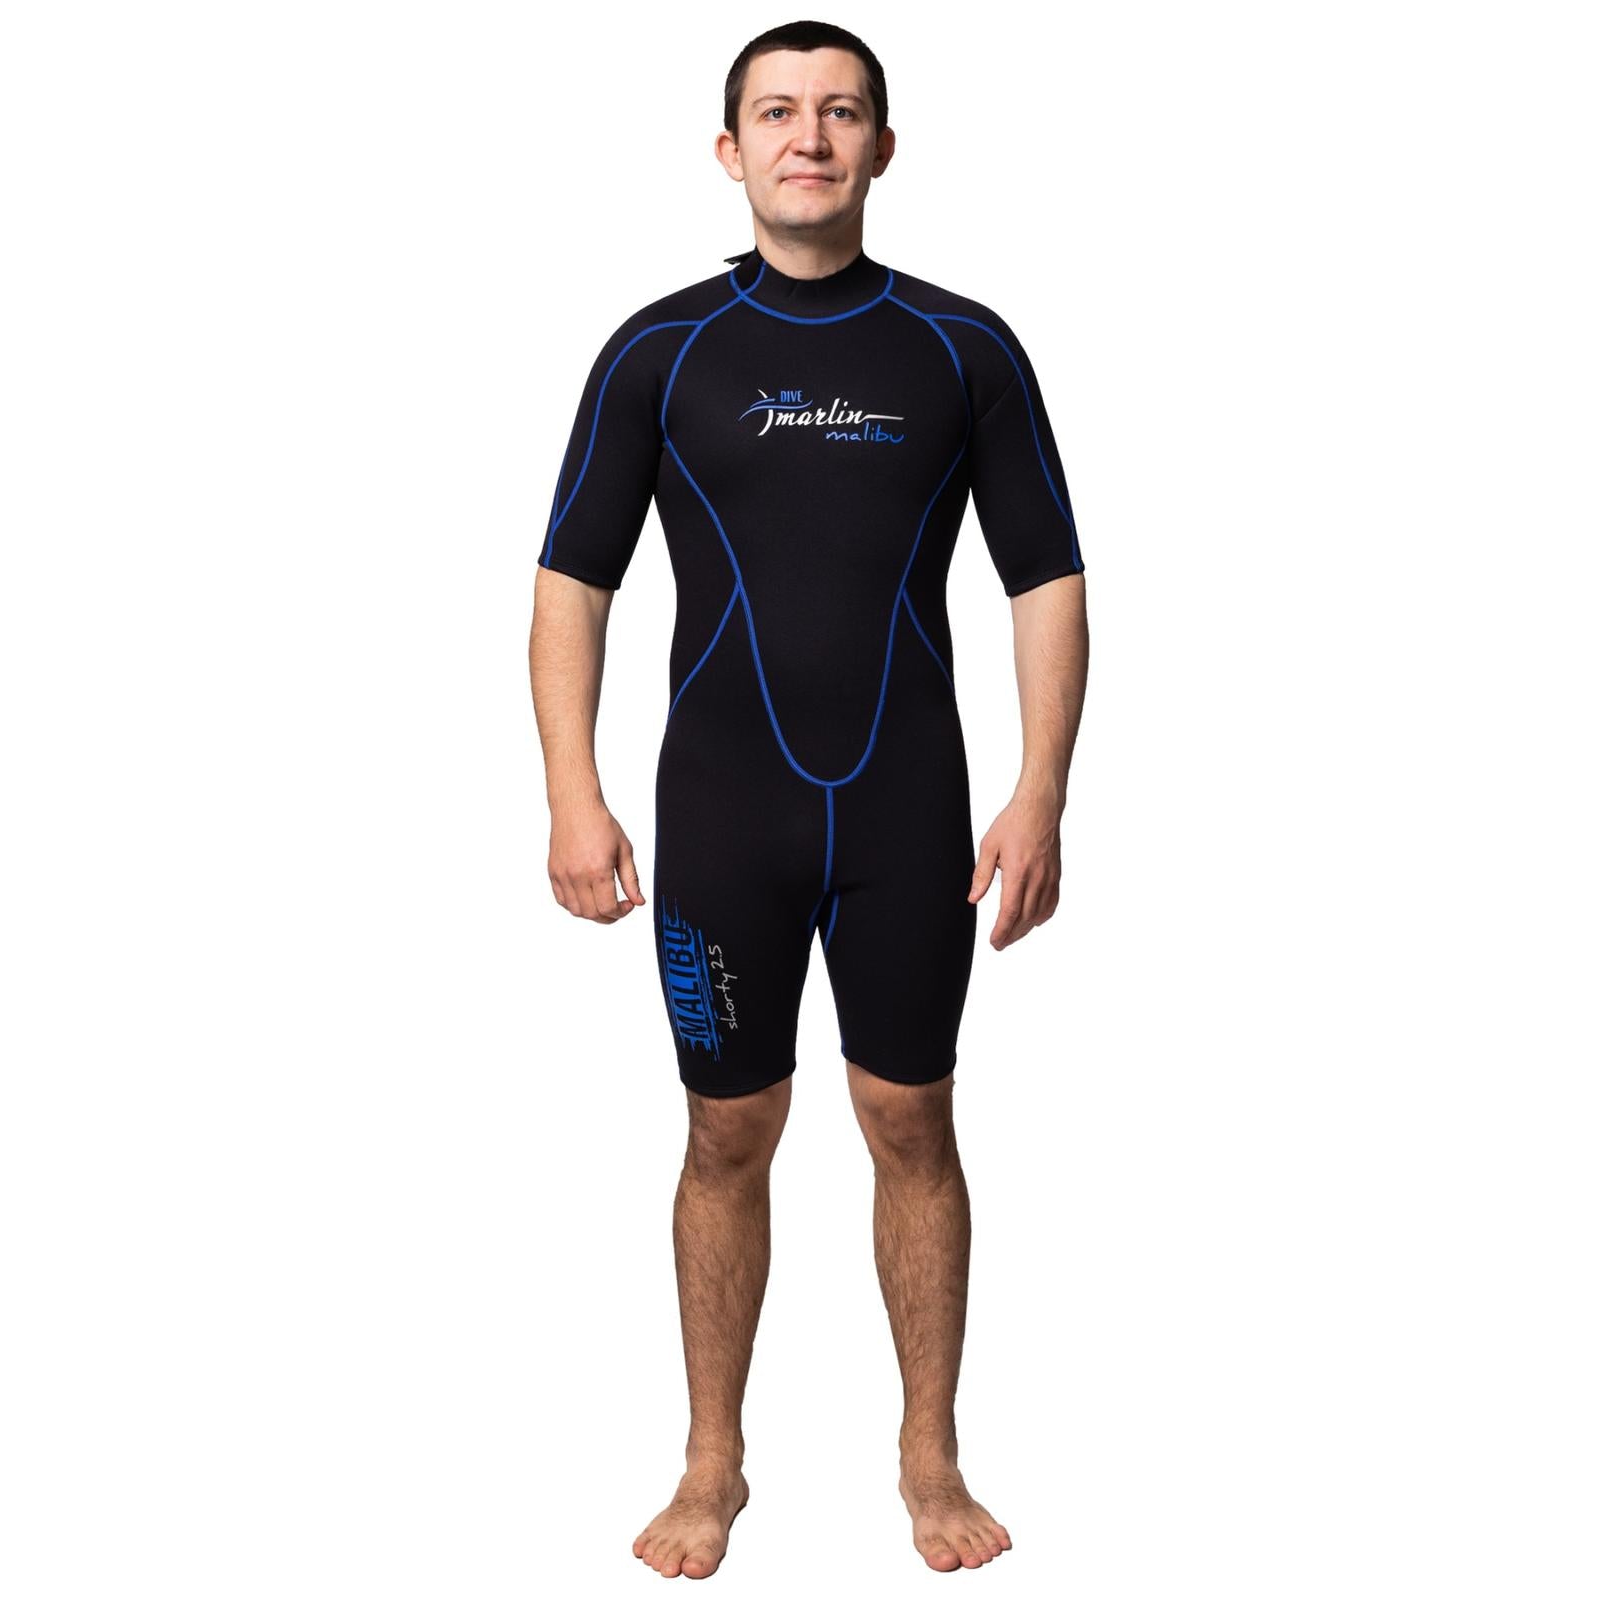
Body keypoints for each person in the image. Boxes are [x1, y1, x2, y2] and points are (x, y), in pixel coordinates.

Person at [528, 20, 1088, 1579]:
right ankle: (713, 1461)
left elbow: (1046, 576)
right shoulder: (660, 352)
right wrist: (572, 793)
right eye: (778, 112)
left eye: (841, 112)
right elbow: (572, 582)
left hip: (909, 812)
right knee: (727, 1131)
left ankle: (930, 1454)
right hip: (725, 817)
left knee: (912, 1117)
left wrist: (1041, 792)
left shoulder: (963, 348)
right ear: (731, 151)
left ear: (883, 148)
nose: (810, 137)